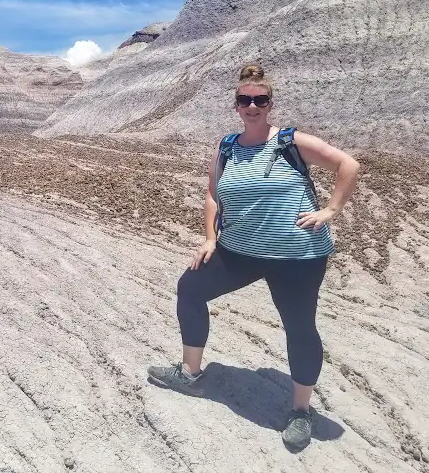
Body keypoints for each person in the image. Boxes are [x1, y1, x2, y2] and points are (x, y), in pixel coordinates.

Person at [147, 63, 360, 451]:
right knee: (190, 288)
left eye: (259, 100)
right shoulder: (227, 146)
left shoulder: (291, 142)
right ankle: (191, 374)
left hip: (297, 256)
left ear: (269, 103)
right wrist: (210, 238)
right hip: (240, 250)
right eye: (245, 100)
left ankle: (300, 411)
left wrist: (330, 210)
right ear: (236, 105)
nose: (252, 106)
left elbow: (348, 165)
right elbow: (213, 193)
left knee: (299, 326)